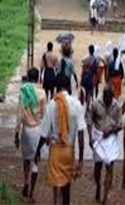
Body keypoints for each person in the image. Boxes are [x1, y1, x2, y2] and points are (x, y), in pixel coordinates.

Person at [34, 76, 86, 205]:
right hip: (68, 151)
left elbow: (44, 132)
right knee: (66, 185)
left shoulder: (52, 104)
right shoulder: (76, 104)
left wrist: (37, 151)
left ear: (57, 88)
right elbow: (80, 134)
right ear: (69, 86)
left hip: (55, 150)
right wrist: (80, 159)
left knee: (56, 186)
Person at [16, 68, 47, 202]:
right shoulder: (42, 93)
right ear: (39, 78)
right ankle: (31, 193)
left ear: (28, 78)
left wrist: (16, 133)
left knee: (26, 159)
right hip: (38, 130)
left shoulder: (23, 93)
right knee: (36, 161)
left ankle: (26, 181)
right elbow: (45, 116)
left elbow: (19, 116)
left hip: (27, 130)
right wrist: (47, 135)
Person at [86, 85, 122, 204]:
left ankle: (105, 197)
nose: (108, 101)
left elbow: (120, 125)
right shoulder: (95, 104)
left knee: (110, 167)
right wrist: (90, 137)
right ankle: (98, 187)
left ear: (112, 96)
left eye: (110, 99)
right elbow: (89, 121)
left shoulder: (116, 106)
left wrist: (111, 131)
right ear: (103, 96)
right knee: (97, 168)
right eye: (106, 99)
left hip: (110, 139)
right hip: (98, 137)